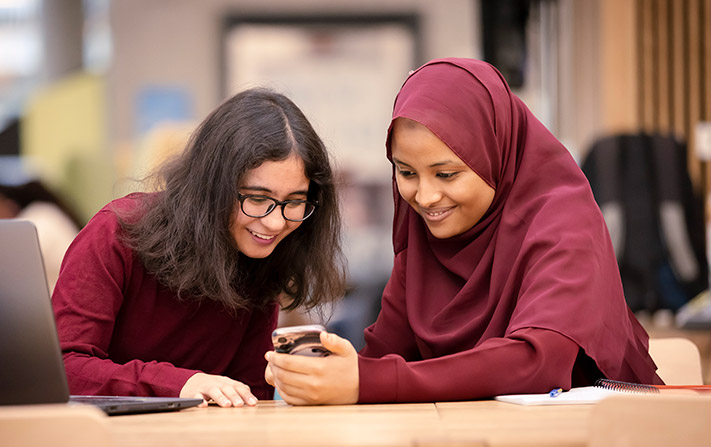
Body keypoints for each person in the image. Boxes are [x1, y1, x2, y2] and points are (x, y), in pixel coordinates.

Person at [265, 58, 662, 405]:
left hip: (601, 441)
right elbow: (385, 354)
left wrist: (366, 381)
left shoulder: (563, 219)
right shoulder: (425, 228)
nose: (425, 196)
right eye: (406, 172)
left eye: (447, 174)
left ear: (495, 153)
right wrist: (319, 376)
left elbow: (539, 361)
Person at [52, 88, 345, 407]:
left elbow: (249, 396)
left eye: (294, 201)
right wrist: (179, 383)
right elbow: (64, 367)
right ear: (211, 186)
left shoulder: (259, 253)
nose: (275, 223)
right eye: (258, 198)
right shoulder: (116, 232)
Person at [0, 180, 82, 291]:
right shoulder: (40, 215)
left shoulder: (39, 218)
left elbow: (10, 266)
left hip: (62, 295)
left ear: (6, 205)